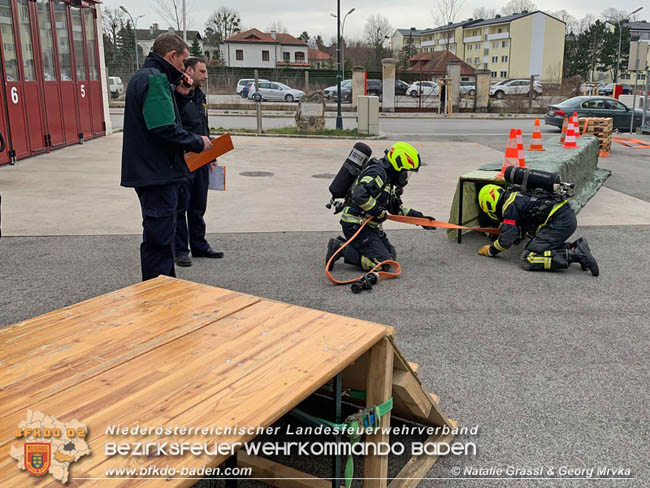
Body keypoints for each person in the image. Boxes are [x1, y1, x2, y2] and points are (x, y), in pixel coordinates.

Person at [121, 34, 212, 281]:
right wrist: (198, 142)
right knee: (160, 240)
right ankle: (157, 294)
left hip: (149, 172)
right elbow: (164, 129)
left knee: (159, 237)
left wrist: (180, 95)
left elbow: (159, 120)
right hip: (157, 174)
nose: (184, 70)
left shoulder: (145, 78)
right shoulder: (156, 79)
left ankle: (163, 288)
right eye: (183, 64)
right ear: (172, 56)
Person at [326, 142, 434, 271]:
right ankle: (340, 248)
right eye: (405, 172)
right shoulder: (377, 173)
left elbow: (396, 208)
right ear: (397, 166)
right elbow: (359, 194)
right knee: (383, 264)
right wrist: (377, 211)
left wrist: (420, 219)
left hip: (368, 226)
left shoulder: (387, 179)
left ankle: (351, 247)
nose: (405, 177)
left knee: (391, 255)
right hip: (355, 225)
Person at [477, 184, 599, 276]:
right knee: (538, 245)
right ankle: (576, 246)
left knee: (528, 258)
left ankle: (575, 254)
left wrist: (491, 250)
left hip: (559, 222)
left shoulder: (508, 207)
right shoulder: (515, 194)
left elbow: (507, 239)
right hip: (565, 217)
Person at [174, 57, 223, 267]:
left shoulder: (200, 96)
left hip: (202, 157)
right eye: (202, 72)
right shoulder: (178, 96)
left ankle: (199, 246)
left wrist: (212, 154)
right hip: (184, 159)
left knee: (198, 205)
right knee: (180, 208)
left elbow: (204, 126)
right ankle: (180, 250)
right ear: (189, 71)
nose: (206, 76)